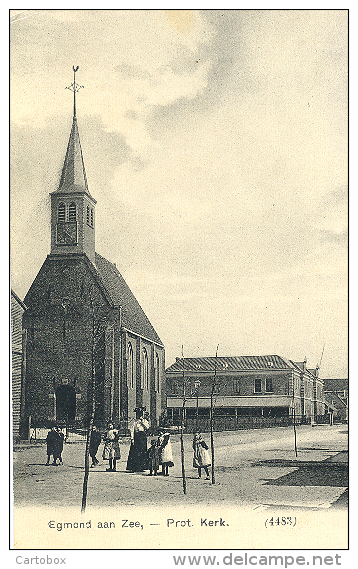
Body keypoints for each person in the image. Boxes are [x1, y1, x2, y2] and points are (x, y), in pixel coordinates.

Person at [126, 407, 149, 472]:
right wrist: (132, 438)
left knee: (142, 451)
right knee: (135, 452)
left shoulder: (145, 421)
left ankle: (142, 467)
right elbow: (132, 430)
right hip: (137, 437)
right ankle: (134, 467)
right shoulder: (134, 422)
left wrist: (142, 422)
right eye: (138, 415)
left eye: (140, 415)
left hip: (143, 437)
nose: (139, 416)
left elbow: (147, 428)